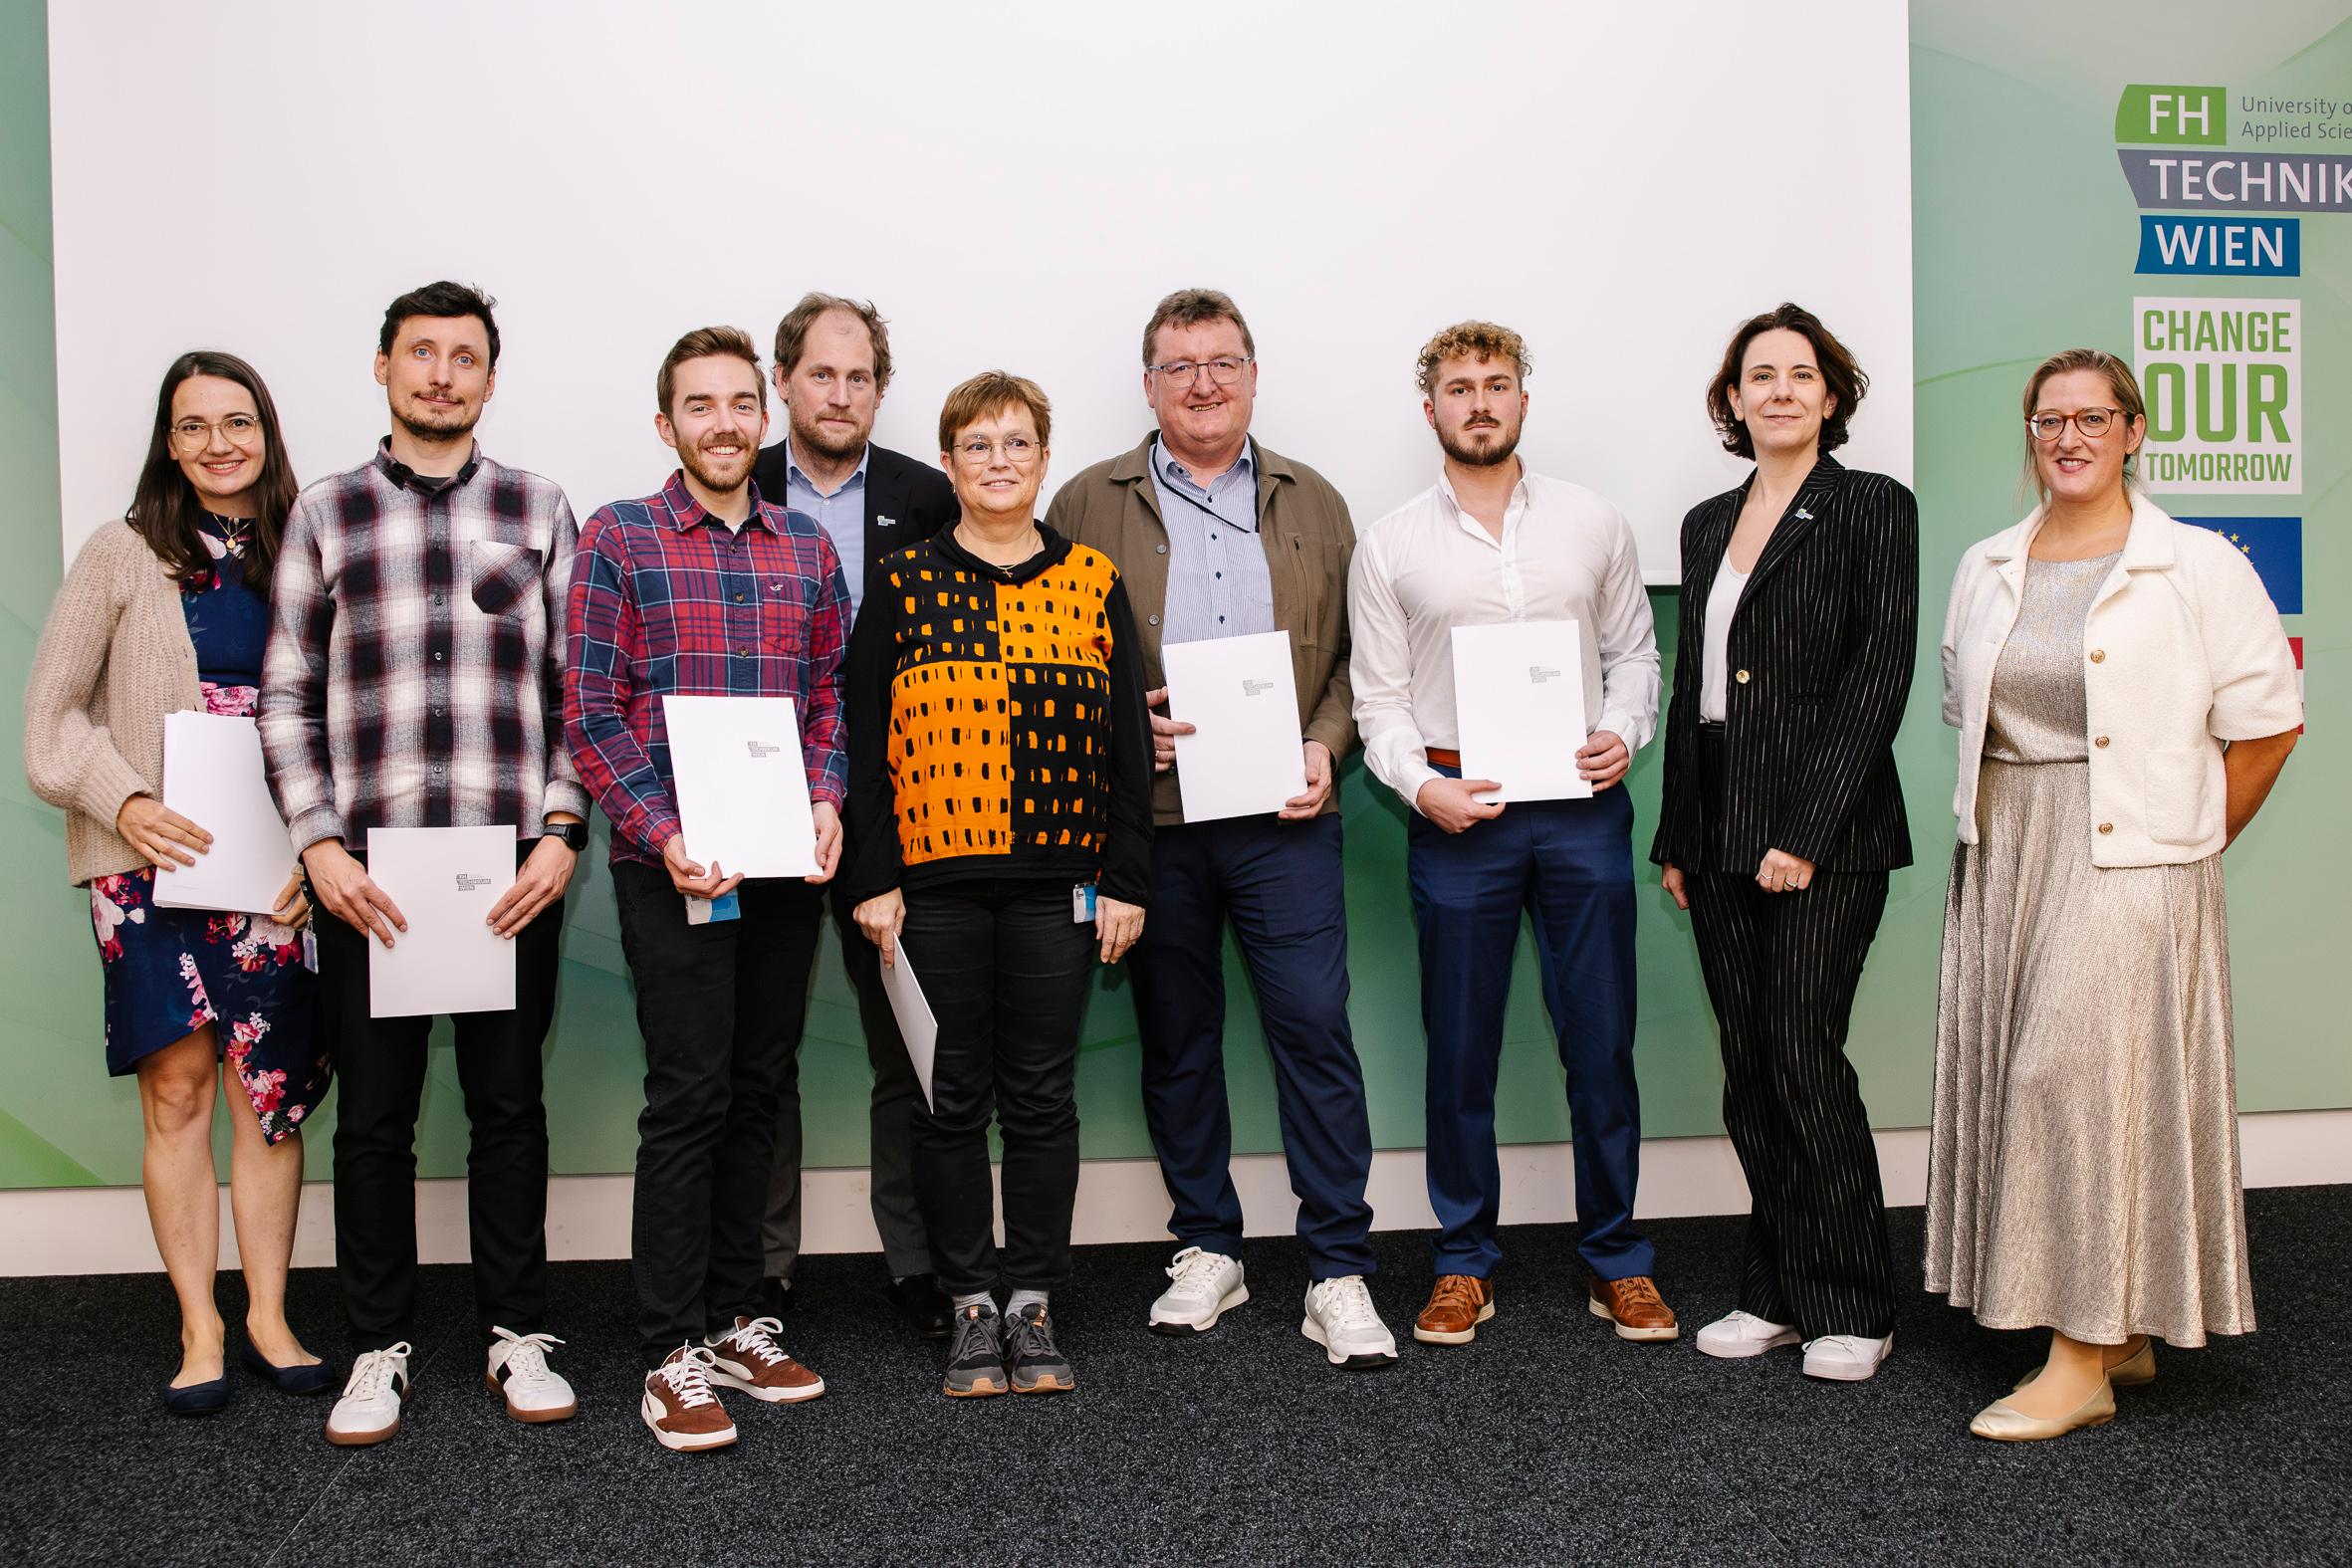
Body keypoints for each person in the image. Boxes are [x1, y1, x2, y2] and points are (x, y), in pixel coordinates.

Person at [1928, 348, 2300, 1441]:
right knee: (2045, 1081)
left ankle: (2079, 1359)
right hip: (2009, 848)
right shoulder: (1986, 561)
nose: (2069, 437)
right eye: (2049, 420)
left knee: (2069, 1081)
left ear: (2135, 432)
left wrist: (2187, 843)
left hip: (2135, 854)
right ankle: (2119, 1327)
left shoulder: (2195, 565)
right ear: (2029, 434)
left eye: (2094, 418)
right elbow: (1972, 716)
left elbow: (2270, 722)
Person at [258, 281, 589, 1446]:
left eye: (464, 358)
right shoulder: (326, 513)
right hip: (372, 875)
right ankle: (377, 1345)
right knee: (376, 1123)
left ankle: (515, 1330)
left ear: (490, 378)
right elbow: (286, 693)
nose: (442, 374)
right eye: (421, 354)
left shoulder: (542, 506)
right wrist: (317, 844)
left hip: (510, 871)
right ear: (386, 370)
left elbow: (577, 692)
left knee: (508, 1106)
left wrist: (561, 834)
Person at [1045, 287, 1393, 1369]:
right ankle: (1208, 1248)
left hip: (1283, 822)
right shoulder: (1082, 502)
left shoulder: (1316, 501)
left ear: (1252, 374)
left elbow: (1351, 666)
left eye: (1222, 362)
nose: (1202, 382)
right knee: (1176, 1042)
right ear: (1148, 384)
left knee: (1313, 1033)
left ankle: (1336, 1265)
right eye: (1178, 364)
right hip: (1150, 828)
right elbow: (1049, 662)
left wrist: (1323, 749)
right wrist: (1115, 727)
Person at [1349, 322, 1676, 1347]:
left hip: (1580, 814)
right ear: (1430, 409)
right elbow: (1378, 703)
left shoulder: (1593, 522)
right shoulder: (1391, 541)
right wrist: (1417, 788)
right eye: (1458, 387)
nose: (1479, 401)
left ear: (1523, 400)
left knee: (1600, 1044)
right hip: (1457, 817)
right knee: (1460, 1050)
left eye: (1496, 384)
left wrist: (1622, 734)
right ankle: (1460, 1261)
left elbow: (1635, 658)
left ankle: (1617, 1257)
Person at [25, 350, 331, 1415]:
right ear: (168, 439)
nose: (217, 444)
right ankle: (199, 1324)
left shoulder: (307, 547)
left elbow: (340, 716)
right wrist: (122, 802)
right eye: (192, 425)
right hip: (152, 868)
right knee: (179, 1091)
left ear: (266, 431)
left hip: (276, 871)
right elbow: (50, 720)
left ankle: (268, 1316)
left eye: (236, 421)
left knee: (269, 1102)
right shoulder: (119, 552)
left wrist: (318, 850)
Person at [842, 371, 1152, 1399]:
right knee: (945, 1101)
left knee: (1040, 1099)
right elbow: (862, 738)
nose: (999, 461)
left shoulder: (1093, 581)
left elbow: (1124, 749)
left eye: (1017, 443)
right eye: (977, 445)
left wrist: (1123, 879)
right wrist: (876, 878)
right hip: (929, 890)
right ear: (950, 463)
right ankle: (969, 1303)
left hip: (1057, 886)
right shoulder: (903, 581)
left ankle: (1033, 1301)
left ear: (1043, 457)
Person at [568, 327, 843, 1454]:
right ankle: (669, 1347)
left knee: (760, 1087)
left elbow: (828, 699)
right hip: (672, 867)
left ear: (764, 418)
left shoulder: (808, 549)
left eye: (741, 403)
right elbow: (589, 715)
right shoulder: (619, 539)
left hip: (780, 870)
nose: (724, 422)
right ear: (665, 423)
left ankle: (738, 1316)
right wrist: (665, 831)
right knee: (687, 1097)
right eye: (700, 404)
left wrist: (825, 798)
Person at [1651, 304, 1917, 1382]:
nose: (1778, 391)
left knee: (1804, 1058)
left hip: (1827, 829)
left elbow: (1875, 680)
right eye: (1757, 376)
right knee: (1749, 1067)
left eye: (1799, 375)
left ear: (1832, 395)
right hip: (1716, 826)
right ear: (1731, 400)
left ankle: (1853, 1298)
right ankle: (1775, 1288)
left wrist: (1803, 832)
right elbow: (1692, 690)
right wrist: (1680, 832)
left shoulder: (1871, 509)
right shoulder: (1706, 521)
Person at [749, 294, 958, 1339]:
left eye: (859, 377)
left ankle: (916, 1265)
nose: (840, 394)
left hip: (896, 809)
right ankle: (764, 1271)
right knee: (762, 1045)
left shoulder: (928, 496)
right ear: (783, 380)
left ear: (881, 388)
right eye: (821, 375)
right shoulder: (734, 488)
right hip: (756, 803)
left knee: (905, 1049)